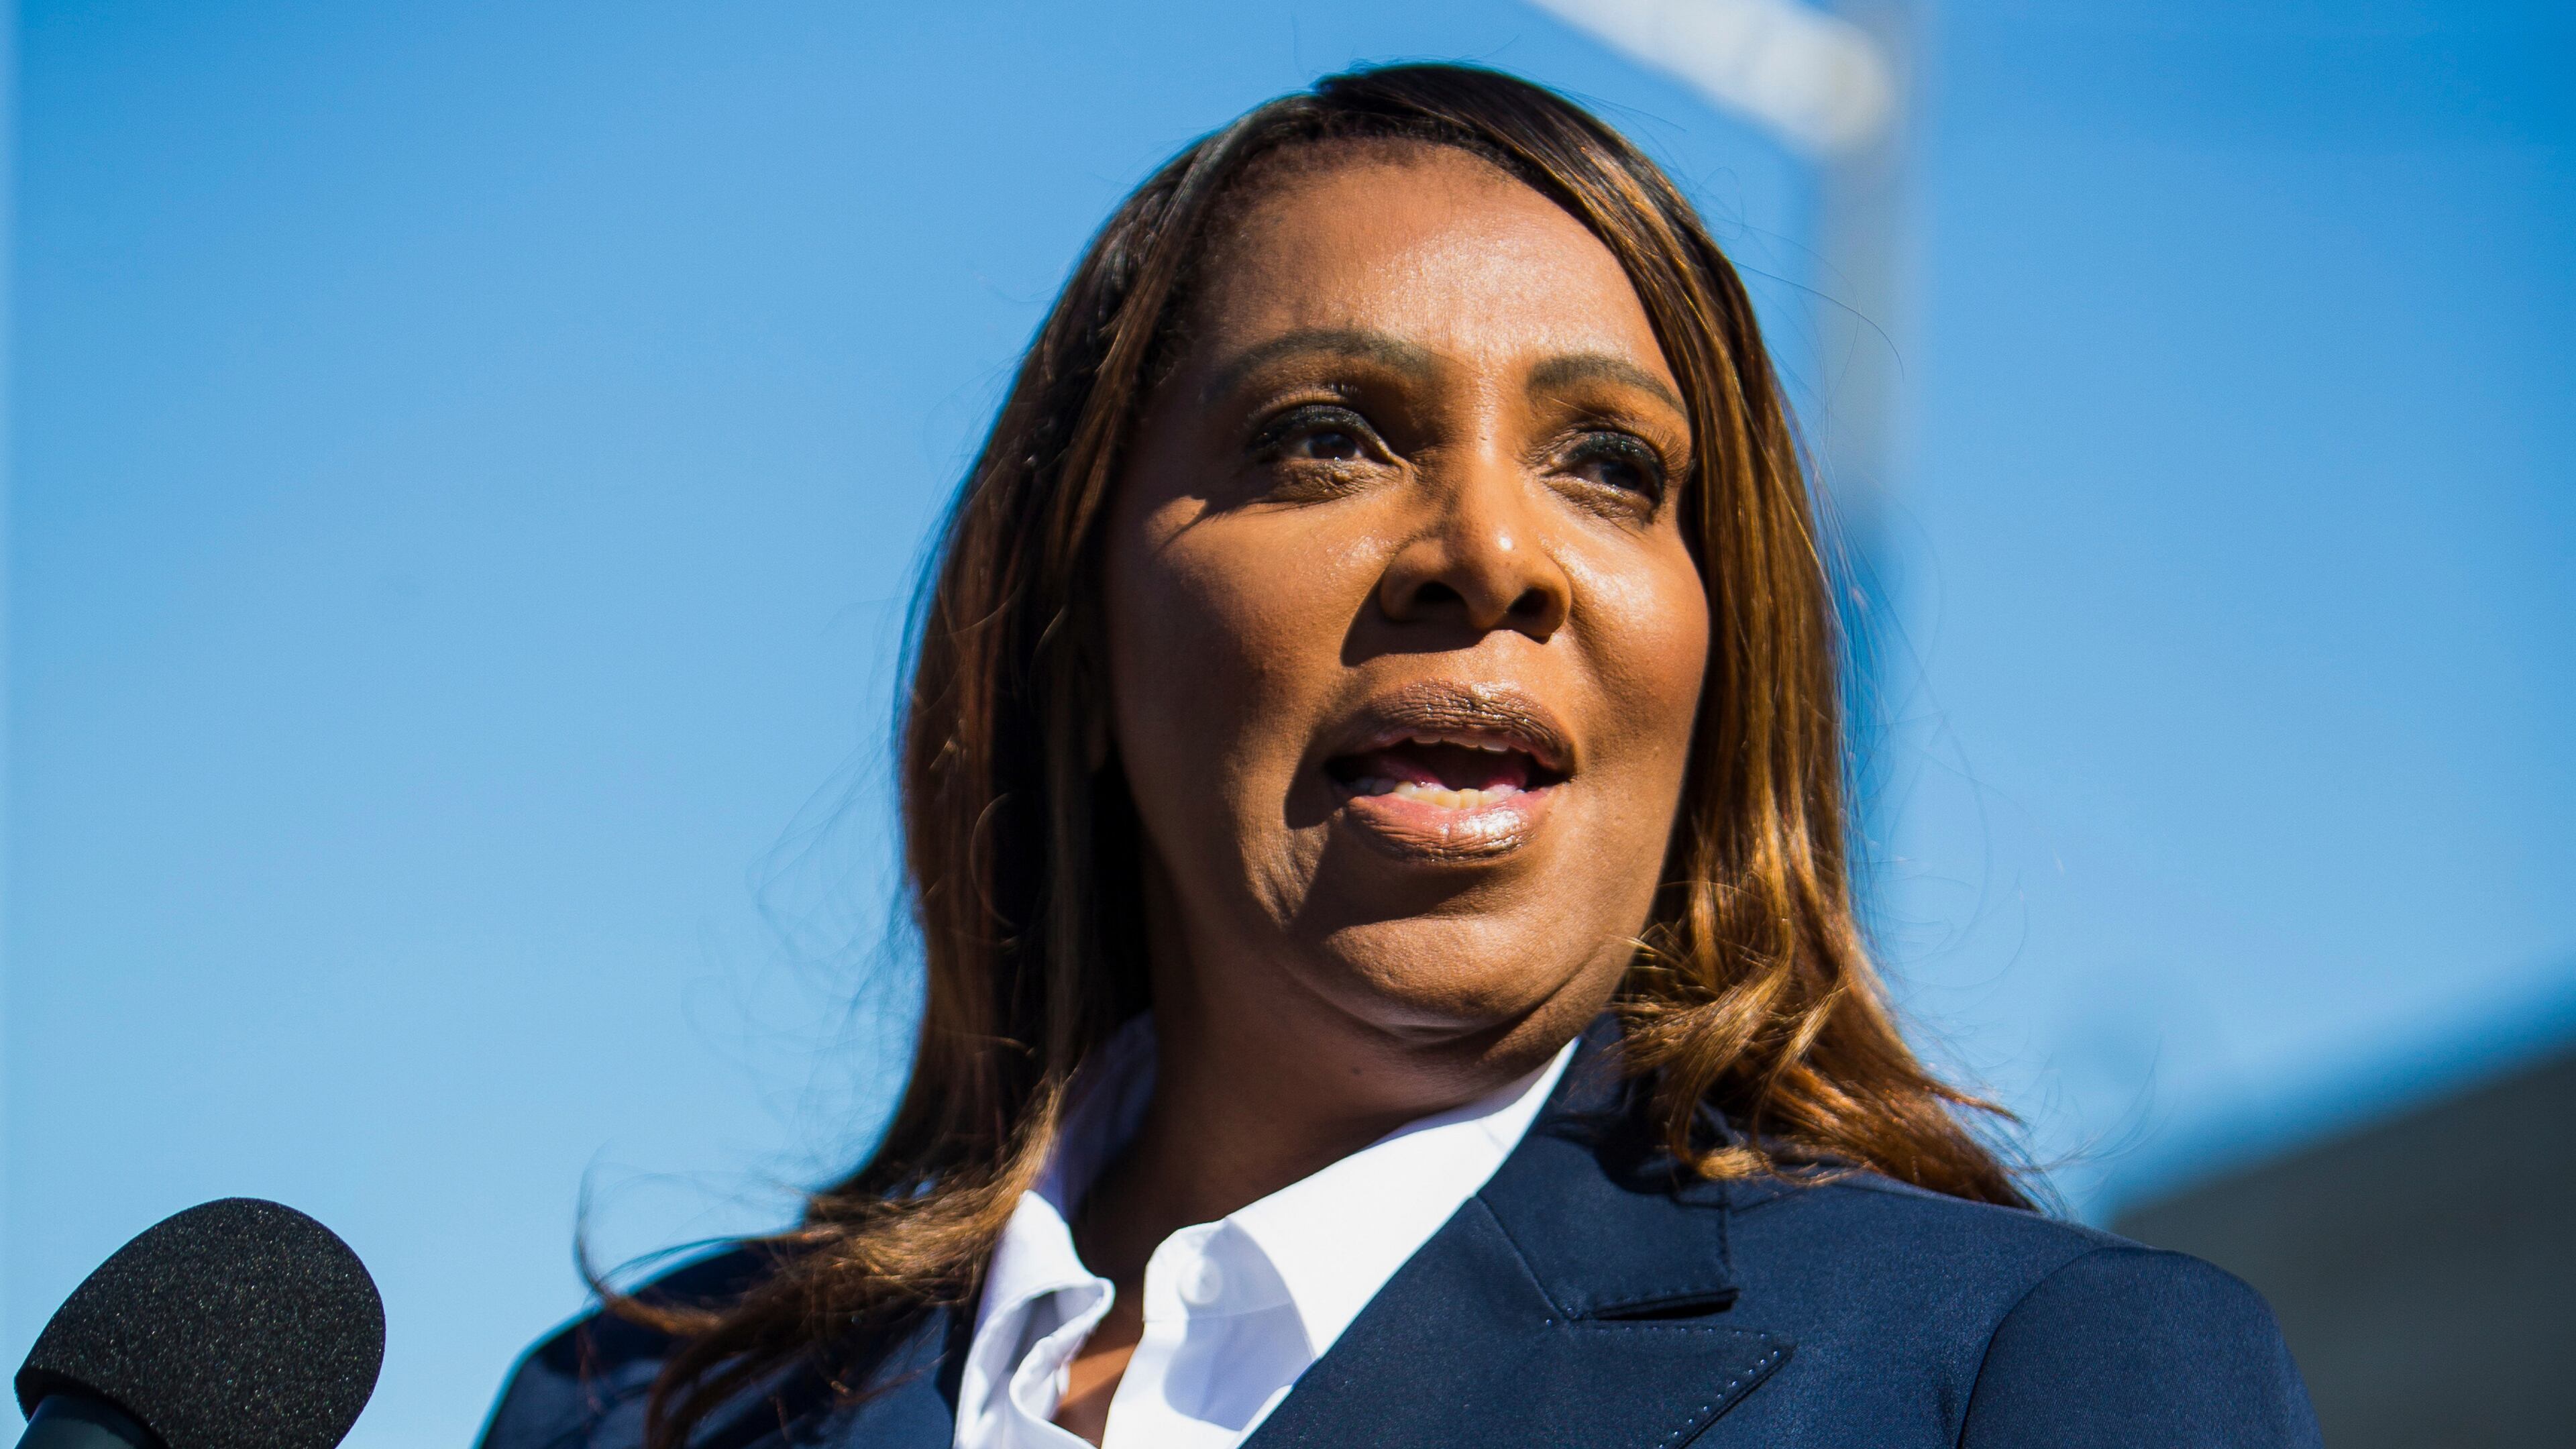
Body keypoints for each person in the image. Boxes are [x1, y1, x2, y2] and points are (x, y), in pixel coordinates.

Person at [476, 64, 2320, 1449]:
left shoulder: (2030, 1378)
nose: (1493, 552)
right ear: (1078, 612)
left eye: (1613, 465)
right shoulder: (630, 1406)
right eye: (1329, 435)